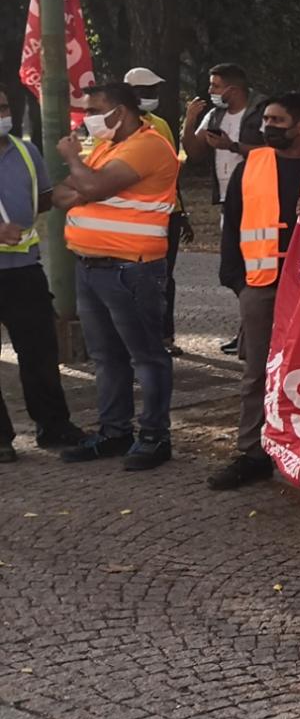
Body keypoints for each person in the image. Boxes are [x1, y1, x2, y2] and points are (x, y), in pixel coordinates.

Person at [207, 92, 300, 490]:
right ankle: (253, 451)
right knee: (257, 370)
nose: (267, 126)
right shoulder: (250, 166)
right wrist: (236, 282)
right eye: (266, 120)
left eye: (277, 120)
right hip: (260, 284)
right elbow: (232, 225)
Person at [54, 82, 181, 471]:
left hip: (132, 269)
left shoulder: (148, 144)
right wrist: (84, 184)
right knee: (106, 357)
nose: (88, 118)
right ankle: (114, 432)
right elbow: (62, 194)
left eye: (95, 109)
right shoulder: (106, 147)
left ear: (122, 112)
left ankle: (154, 436)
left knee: (146, 356)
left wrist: (73, 161)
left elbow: (86, 185)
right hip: (91, 266)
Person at [0, 88, 85, 461]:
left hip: (24, 272)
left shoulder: (25, 151)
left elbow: (44, 198)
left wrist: (79, 186)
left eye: (3, 107)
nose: (2, 114)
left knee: (39, 353)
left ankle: (54, 425)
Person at [183, 64, 264, 355]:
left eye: (215, 86)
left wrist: (233, 146)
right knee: (232, 267)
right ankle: (247, 326)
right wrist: (190, 121)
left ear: (233, 89)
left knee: (255, 266)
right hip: (227, 202)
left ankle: (252, 329)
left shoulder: (260, 112)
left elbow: (273, 151)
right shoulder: (214, 114)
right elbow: (193, 152)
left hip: (258, 199)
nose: (210, 92)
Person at [123, 66, 189, 356]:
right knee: (133, 278)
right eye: (145, 91)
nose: (151, 96)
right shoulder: (114, 128)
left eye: (154, 91)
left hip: (166, 213)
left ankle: (164, 336)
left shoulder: (160, 124)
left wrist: (182, 211)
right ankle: (135, 341)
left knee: (164, 276)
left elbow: (171, 170)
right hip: (133, 215)